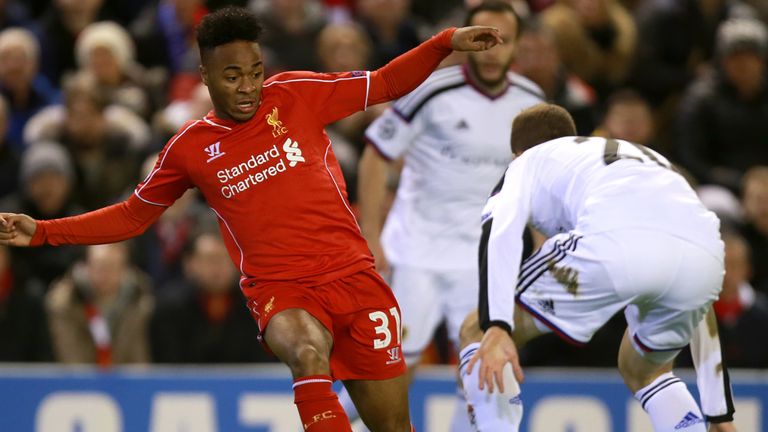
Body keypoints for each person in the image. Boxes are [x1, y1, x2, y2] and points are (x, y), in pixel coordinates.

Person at [0, 6, 503, 432]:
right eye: (232, 76)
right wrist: (44, 231)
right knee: (307, 354)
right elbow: (133, 217)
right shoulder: (190, 149)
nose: (248, 87)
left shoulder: (296, 94)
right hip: (282, 290)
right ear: (205, 76)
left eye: (255, 71)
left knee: (393, 426)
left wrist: (444, 43)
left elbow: (385, 82)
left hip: (355, 278)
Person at [458, 103, 737, 431]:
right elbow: (701, 305)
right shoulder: (644, 160)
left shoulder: (529, 162)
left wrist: (498, 325)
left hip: (613, 242)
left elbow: (499, 231)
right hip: (704, 257)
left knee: (476, 330)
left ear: (518, 152)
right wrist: (718, 412)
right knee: (645, 369)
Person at [353, 1, 542, 430]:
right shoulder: (433, 90)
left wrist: (539, 240)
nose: (493, 49)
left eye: (504, 40)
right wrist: (372, 235)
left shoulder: (531, 102)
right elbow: (375, 155)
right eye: (485, 39)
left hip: (481, 259)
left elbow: (541, 176)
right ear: (469, 42)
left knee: (481, 364)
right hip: (413, 251)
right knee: (395, 364)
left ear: (517, 45)